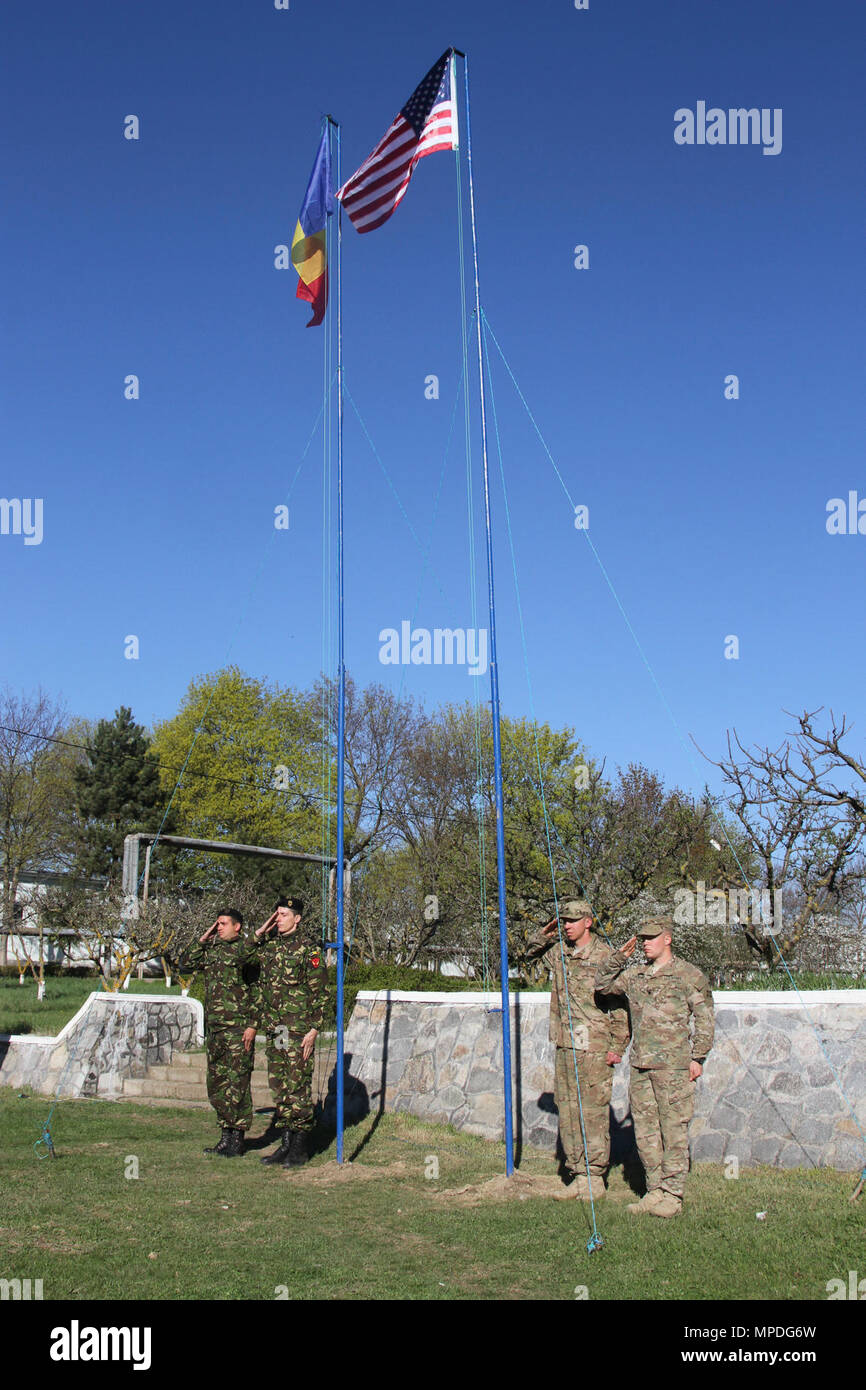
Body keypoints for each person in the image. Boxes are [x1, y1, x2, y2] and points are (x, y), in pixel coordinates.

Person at [594, 914, 715, 1217]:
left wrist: (698, 1057)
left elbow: (705, 1018)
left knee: (673, 1131)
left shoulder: (689, 976)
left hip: (674, 1067)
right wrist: (620, 956)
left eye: (651, 938)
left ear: (667, 938)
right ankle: (654, 1190)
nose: (645, 944)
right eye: (643, 939)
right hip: (641, 1066)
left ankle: (673, 1195)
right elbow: (602, 984)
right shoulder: (635, 976)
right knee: (646, 1133)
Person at [528, 898, 630, 1200]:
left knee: (593, 1111)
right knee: (569, 1111)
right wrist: (544, 934)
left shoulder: (606, 956)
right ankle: (577, 1172)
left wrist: (617, 1046)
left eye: (572, 920)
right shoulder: (560, 952)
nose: (567, 926)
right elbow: (527, 954)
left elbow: (621, 1007)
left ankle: (595, 1175)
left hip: (594, 1046)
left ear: (588, 921)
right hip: (566, 1043)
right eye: (563, 921)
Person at [253, 896, 328, 1168]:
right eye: (276, 914)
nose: (278, 918)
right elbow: (245, 953)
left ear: (297, 918)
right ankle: (285, 1143)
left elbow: (320, 991)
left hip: (297, 1029)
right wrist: (261, 931)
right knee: (280, 1086)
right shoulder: (270, 947)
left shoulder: (309, 950)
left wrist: (314, 1029)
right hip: (277, 1029)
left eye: (283, 914)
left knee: (297, 1087)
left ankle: (299, 1147)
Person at [181, 909, 258, 1158]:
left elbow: (259, 990)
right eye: (217, 924)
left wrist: (253, 1024)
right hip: (215, 1029)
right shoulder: (212, 951)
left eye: (223, 924)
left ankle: (238, 1138)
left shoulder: (246, 952)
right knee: (217, 1084)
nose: (219, 927)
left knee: (238, 1083)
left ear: (238, 926)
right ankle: (225, 1135)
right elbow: (185, 963)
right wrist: (203, 939)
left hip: (237, 1029)